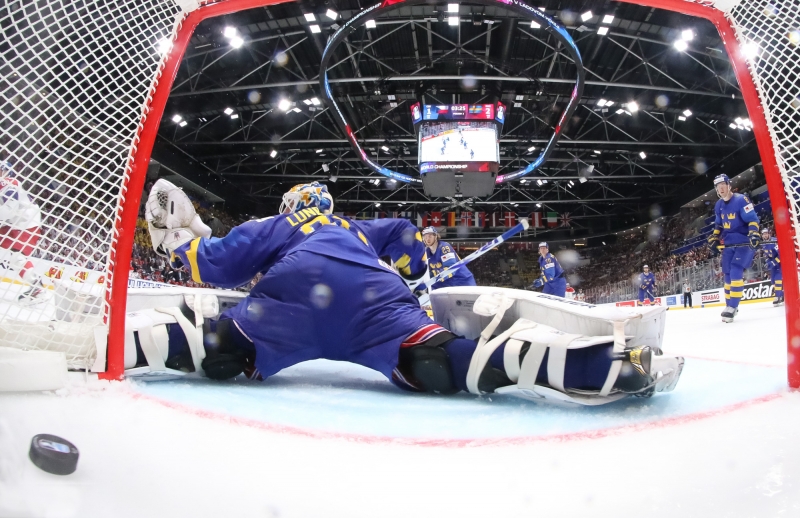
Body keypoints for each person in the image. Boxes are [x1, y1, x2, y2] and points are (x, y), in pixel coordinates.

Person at [139, 179, 681, 403]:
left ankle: (112, 347)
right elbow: (409, 239)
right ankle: (608, 364)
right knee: (451, 362)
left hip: (292, 305)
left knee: (215, 345)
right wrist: (415, 264)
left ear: (292, 205)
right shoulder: (353, 226)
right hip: (377, 300)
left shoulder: (280, 226)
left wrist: (180, 247)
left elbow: (216, 267)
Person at [707, 173, 760, 322]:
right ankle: (729, 306)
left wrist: (754, 234)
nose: (721, 188)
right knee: (727, 273)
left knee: (736, 268)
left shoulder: (742, 200)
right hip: (729, 243)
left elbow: (753, 220)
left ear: (729, 185)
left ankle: (733, 306)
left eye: (723, 184)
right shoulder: (718, 205)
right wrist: (714, 237)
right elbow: (718, 225)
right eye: (718, 186)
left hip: (744, 242)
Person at [0, 160, 46, 303]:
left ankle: (37, 288)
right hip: (14, 223)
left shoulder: (10, 183)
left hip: (27, 223)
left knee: (17, 259)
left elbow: (9, 210)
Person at [760, 227, 783, 306]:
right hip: (773, 264)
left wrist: (774, 262)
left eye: (766, 233)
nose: (765, 235)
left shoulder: (774, 241)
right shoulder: (763, 244)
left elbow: (781, 254)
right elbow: (767, 256)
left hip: (780, 264)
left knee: (778, 280)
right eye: (763, 234)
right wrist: (767, 262)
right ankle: (782, 295)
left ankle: (777, 297)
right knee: (773, 281)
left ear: (769, 234)